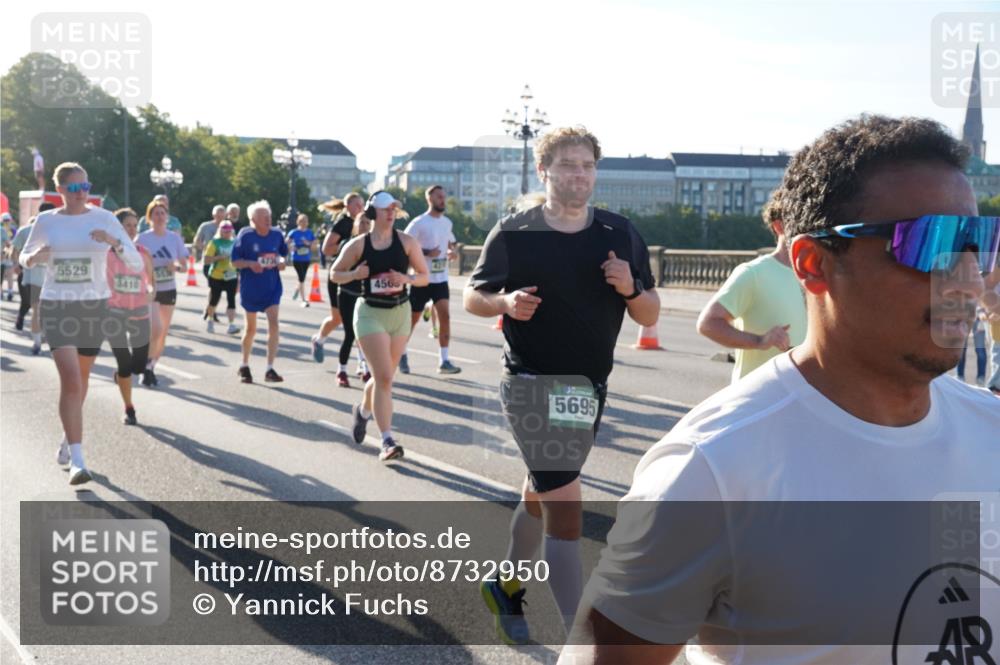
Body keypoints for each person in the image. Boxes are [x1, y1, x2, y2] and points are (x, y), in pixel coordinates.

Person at [564, 115, 1000, 665]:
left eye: (979, 241)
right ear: (813, 263)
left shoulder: (993, 430)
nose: (965, 275)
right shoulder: (711, 470)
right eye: (928, 241)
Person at [463, 126, 660, 643]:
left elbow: (649, 311)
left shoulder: (619, 233)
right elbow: (473, 296)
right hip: (530, 382)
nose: (580, 174)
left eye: (588, 165)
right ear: (544, 170)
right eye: (569, 164)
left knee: (543, 492)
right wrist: (503, 304)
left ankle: (505, 585)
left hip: (586, 387)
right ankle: (583, 642)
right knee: (567, 512)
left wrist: (630, 285)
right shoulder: (515, 231)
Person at [18, 162, 142, 484]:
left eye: (85, 187)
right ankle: (77, 459)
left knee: (82, 379)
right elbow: (24, 255)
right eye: (74, 188)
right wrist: (33, 258)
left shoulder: (104, 218)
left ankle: (65, 438)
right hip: (58, 305)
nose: (81, 193)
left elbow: (136, 261)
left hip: (93, 305)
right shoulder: (46, 221)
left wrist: (113, 242)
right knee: (71, 379)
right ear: (60, 190)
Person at [332, 191, 430, 461]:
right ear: (374, 213)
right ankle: (387, 441)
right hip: (370, 314)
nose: (391, 213)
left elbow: (424, 277)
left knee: (383, 377)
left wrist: (405, 278)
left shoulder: (407, 242)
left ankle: (363, 412)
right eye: (386, 209)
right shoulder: (359, 244)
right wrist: (355, 274)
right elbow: (334, 274)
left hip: (400, 312)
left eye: (394, 209)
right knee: (385, 378)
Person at [696, 189, 808, 382]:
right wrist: (760, 341)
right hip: (758, 397)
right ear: (779, 226)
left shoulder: (819, 276)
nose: (806, 226)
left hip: (803, 398)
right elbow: (708, 324)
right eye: (798, 220)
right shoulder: (753, 273)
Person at [400, 185, 461, 374]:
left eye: (444, 197)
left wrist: (452, 252)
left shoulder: (447, 223)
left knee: (445, 316)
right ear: (430, 199)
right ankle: (401, 353)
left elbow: (451, 243)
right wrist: (426, 252)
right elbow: (404, 247)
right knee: (412, 320)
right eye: (439, 197)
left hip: (441, 279)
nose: (443, 200)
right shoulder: (419, 223)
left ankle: (444, 360)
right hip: (421, 278)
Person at [107, 208, 155, 425]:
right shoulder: (105, 253)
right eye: (128, 225)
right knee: (124, 364)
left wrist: (151, 290)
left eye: (136, 225)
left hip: (139, 311)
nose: (133, 229)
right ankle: (129, 408)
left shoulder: (143, 252)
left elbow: (151, 280)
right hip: (113, 312)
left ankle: (122, 377)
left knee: (138, 365)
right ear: (118, 228)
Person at [231, 200, 288, 383]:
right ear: (253, 220)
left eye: (269, 216)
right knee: (251, 328)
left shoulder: (277, 234)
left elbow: (283, 254)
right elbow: (235, 261)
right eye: (264, 217)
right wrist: (250, 264)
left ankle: (270, 369)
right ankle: (244, 364)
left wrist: (280, 261)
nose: (268, 220)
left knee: (274, 323)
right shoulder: (245, 235)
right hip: (251, 287)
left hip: (272, 287)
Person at [137, 199, 189, 386]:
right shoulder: (142, 238)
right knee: (155, 328)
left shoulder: (174, 238)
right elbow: (133, 263)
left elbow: (184, 266)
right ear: (149, 217)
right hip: (150, 290)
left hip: (168, 288)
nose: (159, 217)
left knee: (162, 332)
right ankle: (146, 365)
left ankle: (150, 366)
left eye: (162, 213)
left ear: (167, 217)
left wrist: (174, 266)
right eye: (156, 213)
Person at [311, 192, 365, 364]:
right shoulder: (343, 224)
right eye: (356, 205)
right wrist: (345, 248)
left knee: (361, 319)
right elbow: (326, 249)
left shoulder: (367, 223)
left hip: (360, 277)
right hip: (340, 275)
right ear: (347, 207)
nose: (360, 208)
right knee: (337, 318)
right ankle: (319, 340)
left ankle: (362, 364)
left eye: (362, 205)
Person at [333, 212, 373, 387]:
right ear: (355, 225)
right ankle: (341, 370)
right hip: (347, 293)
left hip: (366, 296)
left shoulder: (375, 246)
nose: (364, 225)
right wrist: (354, 273)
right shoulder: (348, 245)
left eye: (367, 222)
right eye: (361, 222)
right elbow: (337, 273)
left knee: (365, 334)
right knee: (350, 333)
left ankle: (365, 368)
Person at [12, 214, 45, 354]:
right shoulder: (57, 231)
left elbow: (15, 251)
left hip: (34, 278)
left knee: (36, 309)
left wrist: (16, 264)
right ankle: (38, 339)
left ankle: (37, 341)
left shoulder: (25, 231)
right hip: (38, 277)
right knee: (37, 309)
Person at [203, 221, 240, 334]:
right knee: (214, 300)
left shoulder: (235, 243)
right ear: (220, 231)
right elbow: (206, 260)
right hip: (216, 276)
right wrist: (219, 257)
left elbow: (238, 261)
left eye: (229, 231)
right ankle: (210, 320)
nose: (227, 233)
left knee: (231, 301)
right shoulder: (214, 243)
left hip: (231, 276)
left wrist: (239, 277)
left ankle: (231, 325)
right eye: (225, 231)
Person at [286, 213, 318, 305]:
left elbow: (315, 243)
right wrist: (292, 247)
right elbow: (286, 242)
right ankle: (303, 299)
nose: (303, 223)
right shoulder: (294, 232)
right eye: (301, 221)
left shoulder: (309, 232)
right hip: (296, 258)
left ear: (307, 222)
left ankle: (297, 289)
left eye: (305, 221)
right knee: (302, 277)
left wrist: (308, 243)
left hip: (306, 258)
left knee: (302, 278)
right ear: (298, 222)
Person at [955, 308, 988, 386]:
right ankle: (960, 376)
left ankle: (980, 378)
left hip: (979, 317)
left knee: (980, 349)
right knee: (962, 349)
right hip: (965, 317)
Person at [195, 205, 225, 279]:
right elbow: (197, 241)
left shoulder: (228, 227)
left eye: (221, 216)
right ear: (213, 215)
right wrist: (205, 248)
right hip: (209, 260)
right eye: (217, 215)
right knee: (212, 283)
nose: (219, 218)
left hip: (224, 261)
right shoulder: (205, 226)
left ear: (225, 215)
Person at [2, 212, 16, 301]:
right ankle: (10, 291)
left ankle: (2, 293)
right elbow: (14, 243)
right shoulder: (13, 230)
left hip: (3, 255)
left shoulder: (2, 229)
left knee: (2, 275)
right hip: (9, 254)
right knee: (10, 275)